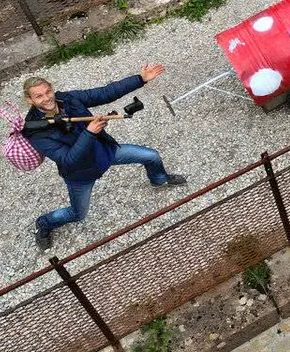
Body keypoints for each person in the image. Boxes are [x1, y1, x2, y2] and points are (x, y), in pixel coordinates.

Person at [22, 65, 186, 250]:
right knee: (78, 213)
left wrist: (140, 79)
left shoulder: (66, 98)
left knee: (151, 156)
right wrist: (90, 133)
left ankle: (159, 179)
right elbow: (69, 160)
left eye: (47, 91)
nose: (47, 98)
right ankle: (43, 224)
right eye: (39, 96)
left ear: (52, 88)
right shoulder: (35, 131)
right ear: (30, 100)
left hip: (104, 152)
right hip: (81, 172)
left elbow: (103, 93)